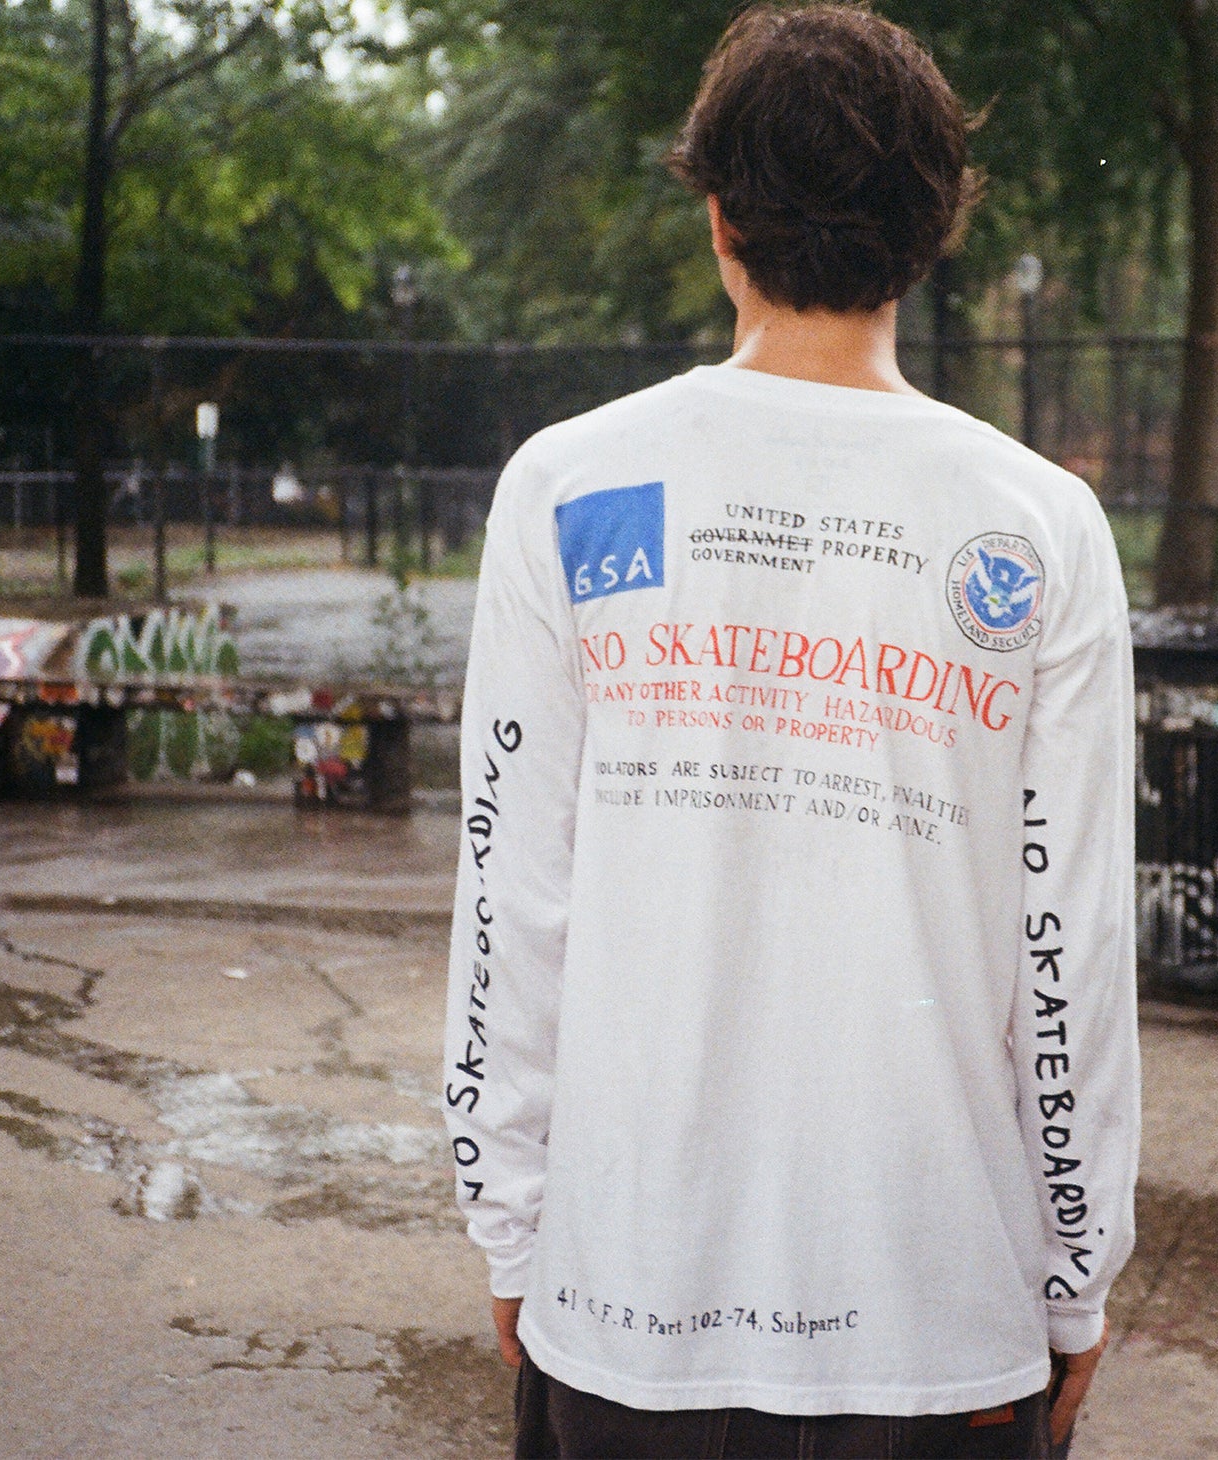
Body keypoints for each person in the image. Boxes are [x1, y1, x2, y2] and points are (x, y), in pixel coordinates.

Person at [443, 6, 1139, 1456]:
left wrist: (511, 1223)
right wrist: (1072, 1276)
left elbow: (513, 899)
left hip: (628, 1301)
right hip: (939, 1322)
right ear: (932, 231)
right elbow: (1067, 945)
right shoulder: (1039, 523)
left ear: (717, 216)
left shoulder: (567, 485)